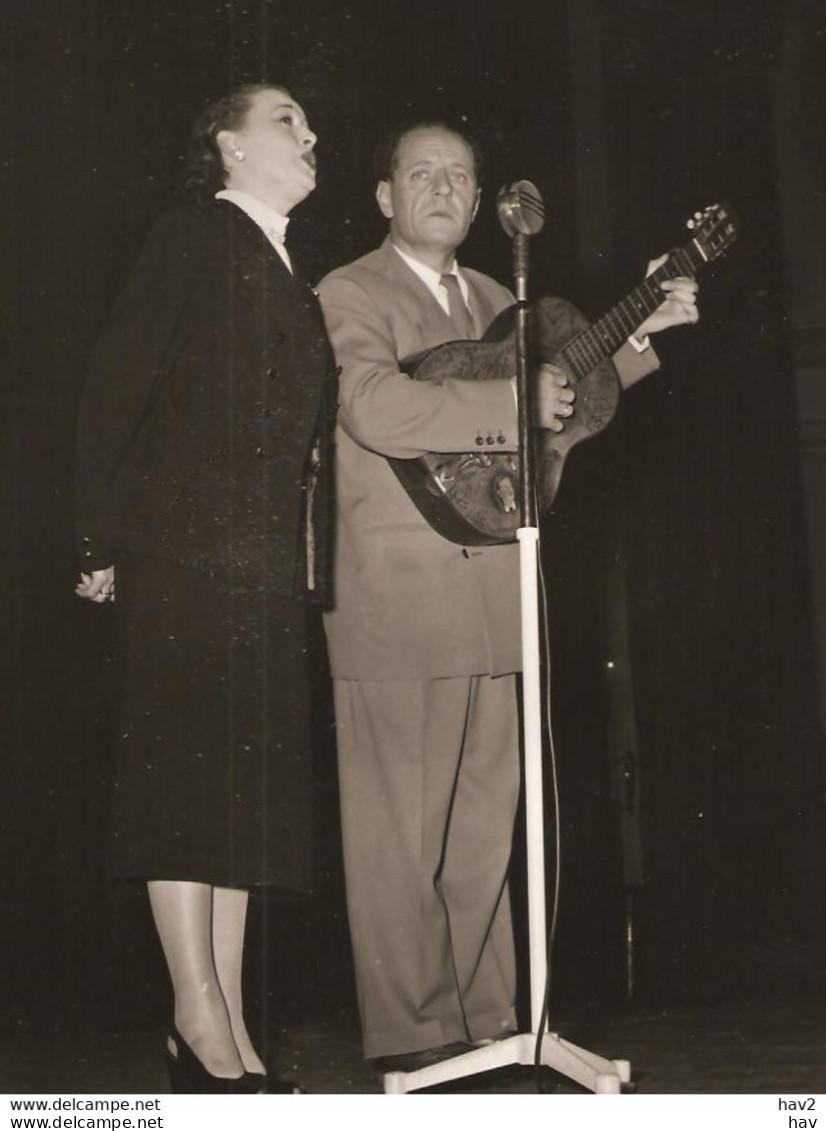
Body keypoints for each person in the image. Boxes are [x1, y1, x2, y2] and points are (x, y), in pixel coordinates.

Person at [317, 119, 699, 1070]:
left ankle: (491, 1025)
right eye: (422, 173)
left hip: (501, 591)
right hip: (398, 601)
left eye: (462, 175)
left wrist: (643, 329)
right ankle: (414, 1041)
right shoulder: (347, 290)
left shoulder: (502, 298)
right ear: (384, 196)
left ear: (486, 199)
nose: (445, 188)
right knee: (401, 835)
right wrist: (508, 401)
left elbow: (564, 418)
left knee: (489, 827)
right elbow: (371, 406)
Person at [74, 83, 336, 1093]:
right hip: (188, 556)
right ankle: (195, 1011)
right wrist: (96, 536)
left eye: (310, 127)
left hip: (263, 566)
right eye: (285, 122)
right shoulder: (194, 235)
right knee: (186, 788)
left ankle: (219, 1020)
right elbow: (116, 380)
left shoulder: (281, 265)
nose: (309, 136)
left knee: (239, 803)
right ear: (227, 146)